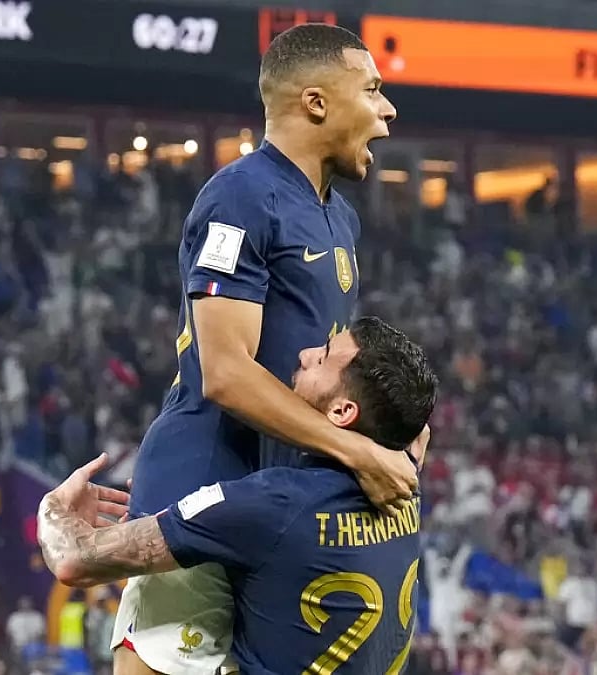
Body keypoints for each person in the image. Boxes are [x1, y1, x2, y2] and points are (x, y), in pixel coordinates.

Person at [112, 21, 417, 675]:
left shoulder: (339, 214)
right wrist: (355, 449)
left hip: (277, 500)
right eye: (372, 89)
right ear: (315, 102)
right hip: (203, 481)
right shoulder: (241, 196)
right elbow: (224, 373)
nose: (388, 110)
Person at [40, 317, 437, 674]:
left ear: (342, 412)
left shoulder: (271, 504)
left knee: (157, 602)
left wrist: (54, 508)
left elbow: (73, 561)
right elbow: (420, 432)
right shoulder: (405, 482)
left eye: (323, 359)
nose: (306, 353)